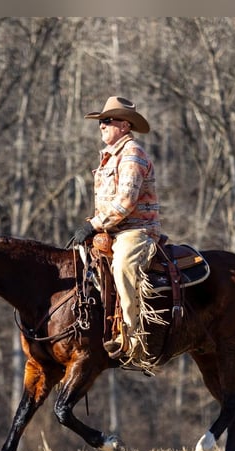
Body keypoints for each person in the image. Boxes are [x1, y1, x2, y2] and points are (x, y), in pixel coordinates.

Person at [72, 96, 163, 359]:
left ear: (124, 126)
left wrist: (93, 225)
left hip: (137, 231)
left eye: (107, 121)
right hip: (110, 229)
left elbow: (125, 202)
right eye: (101, 121)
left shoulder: (132, 154)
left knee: (123, 264)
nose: (101, 125)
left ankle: (133, 340)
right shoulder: (109, 157)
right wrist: (95, 227)